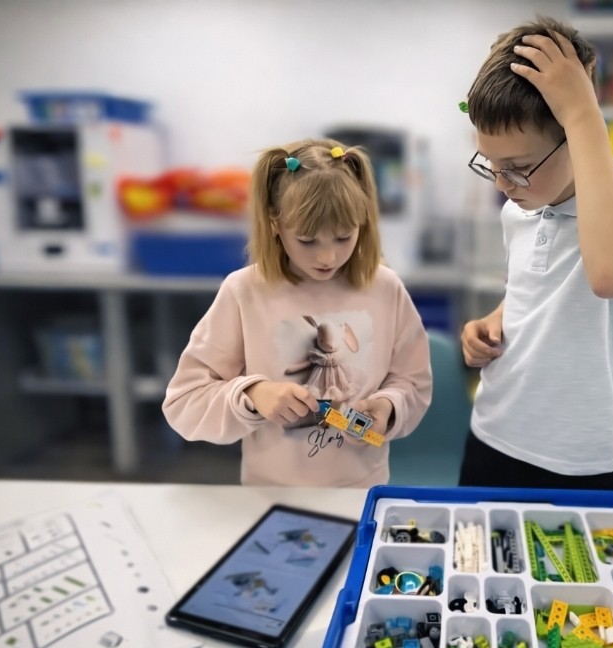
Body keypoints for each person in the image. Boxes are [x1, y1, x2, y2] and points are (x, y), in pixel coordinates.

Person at [459, 17, 613, 490]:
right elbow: (534, 292)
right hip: (492, 433)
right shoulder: (518, 211)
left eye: (517, 167)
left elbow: (611, 275)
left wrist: (582, 114)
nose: (501, 184)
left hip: (581, 459)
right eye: (491, 165)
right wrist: (495, 319)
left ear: (577, 136)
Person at [163, 138, 432, 487]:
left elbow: (412, 382)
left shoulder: (385, 288)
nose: (327, 258)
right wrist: (252, 395)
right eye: (307, 240)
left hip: (362, 491)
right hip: (270, 493)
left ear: (363, 222)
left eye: (343, 237)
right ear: (274, 223)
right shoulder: (244, 291)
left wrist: (388, 407)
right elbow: (184, 404)